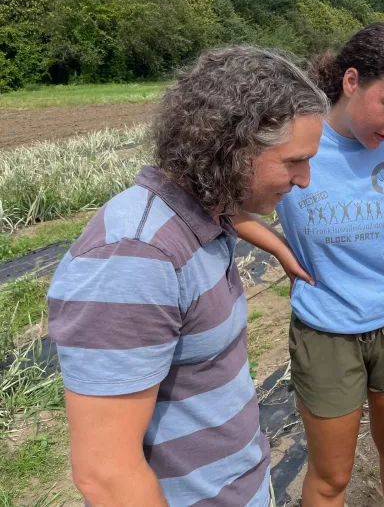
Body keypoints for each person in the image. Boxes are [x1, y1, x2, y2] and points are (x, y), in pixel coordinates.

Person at [46, 46, 329, 506]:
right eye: (294, 160)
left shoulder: (208, 215)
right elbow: (106, 474)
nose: (305, 179)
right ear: (232, 149)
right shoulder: (136, 257)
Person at [234, 22, 384, 507]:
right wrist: (280, 248)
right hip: (326, 329)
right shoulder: (296, 141)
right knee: (330, 476)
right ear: (351, 81)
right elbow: (223, 205)